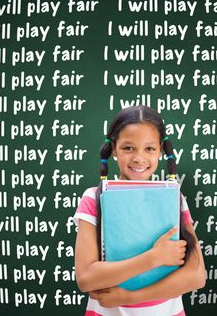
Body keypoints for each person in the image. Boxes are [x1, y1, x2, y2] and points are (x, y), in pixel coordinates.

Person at [73, 105, 206, 315]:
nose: (139, 158)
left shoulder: (174, 198)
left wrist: (130, 296)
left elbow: (197, 276)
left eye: (149, 148)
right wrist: (154, 257)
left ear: (160, 151)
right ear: (114, 149)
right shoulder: (94, 198)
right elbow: (86, 279)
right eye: (128, 148)